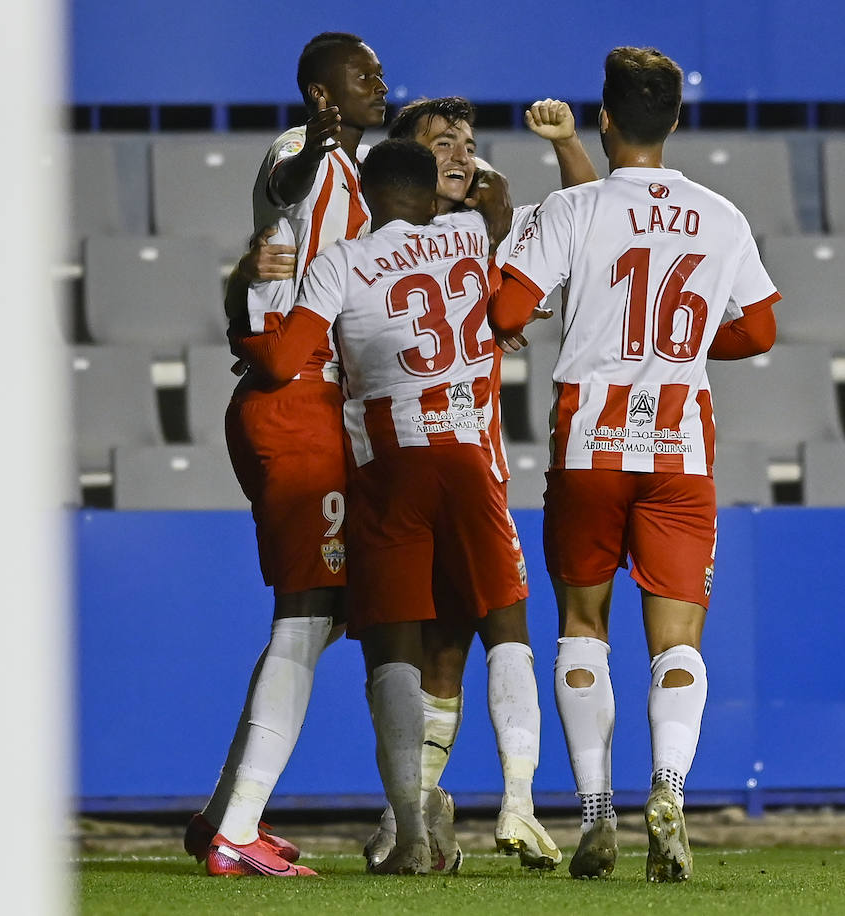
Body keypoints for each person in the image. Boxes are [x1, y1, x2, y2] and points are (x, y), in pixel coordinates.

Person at [489, 46, 780, 882]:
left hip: (589, 447)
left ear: (606, 117)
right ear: (677, 120)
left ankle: (594, 815)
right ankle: (670, 792)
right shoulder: (721, 216)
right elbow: (759, 330)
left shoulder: (573, 209)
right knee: (677, 641)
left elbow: (510, 307)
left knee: (583, 626)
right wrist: (682, 348)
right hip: (681, 451)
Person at [231, 138, 540, 875]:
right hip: (471, 461)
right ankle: (520, 803)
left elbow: (279, 361)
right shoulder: (467, 235)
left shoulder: (342, 260)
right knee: (507, 627)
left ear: (364, 198)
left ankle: (409, 829)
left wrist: (247, 294)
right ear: (434, 190)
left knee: (391, 650)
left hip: (391, 465)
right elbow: (495, 210)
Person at [356, 95, 598, 872]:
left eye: (467, 142)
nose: (461, 154)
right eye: (441, 143)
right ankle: (420, 814)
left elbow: (587, 216)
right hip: (403, 471)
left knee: (447, 654)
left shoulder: (485, 227)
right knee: (421, 652)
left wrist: (557, 149)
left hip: (470, 470)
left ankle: (424, 819)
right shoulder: (436, 235)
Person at [182, 31, 387, 878]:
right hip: (297, 396)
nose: (378, 81)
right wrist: (324, 138)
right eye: (361, 75)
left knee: (323, 614)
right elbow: (285, 182)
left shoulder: (351, 169)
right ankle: (237, 830)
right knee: (308, 617)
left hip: (307, 398)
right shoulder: (304, 152)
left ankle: (223, 813)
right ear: (321, 94)